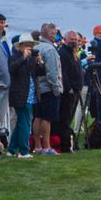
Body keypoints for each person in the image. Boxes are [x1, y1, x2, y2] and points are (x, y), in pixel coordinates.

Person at [7, 33, 42, 158]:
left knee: (22, 122)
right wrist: (23, 58)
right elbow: (12, 69)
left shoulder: (32, 59)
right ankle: (23, 150)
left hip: (30, 94)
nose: (30, 48)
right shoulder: (15, 57)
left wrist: (40, 61)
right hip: (20, 95)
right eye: (27, 46)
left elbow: (40, 72)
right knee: (25, 122)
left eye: (31, 46)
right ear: (20, 46)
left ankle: (12, 149)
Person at [32, 23, 63, 155]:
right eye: (54, 33)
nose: (56, 36)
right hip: (48, 88)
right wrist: (56, 88)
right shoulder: (50, 50)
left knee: (38, 116)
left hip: (38, 88)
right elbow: (52, 72)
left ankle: (37, 146)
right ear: (50, 35)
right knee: (47, 118)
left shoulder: (36, 46)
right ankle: (47, 146)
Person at [56, 30, 84, 152]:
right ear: (66, 40)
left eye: (76, 39)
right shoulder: (63, 53)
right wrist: (69, 89)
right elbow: (63, 73)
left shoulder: (74, 53)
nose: (74, 41)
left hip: (76, 90)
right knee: (65, 118)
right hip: (69, 92)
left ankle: (68, 143)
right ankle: (65, 145)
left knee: (69, 117)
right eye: (72, 39)